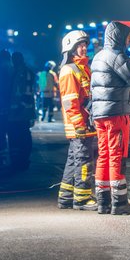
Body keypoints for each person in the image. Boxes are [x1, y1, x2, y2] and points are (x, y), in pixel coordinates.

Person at [91, 21, 130, 215]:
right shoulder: (118, 56)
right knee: (117, 156)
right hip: (116, 113)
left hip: (100, 114)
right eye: (128, 37)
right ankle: (119, 203)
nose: (129, 40)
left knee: (103, 156)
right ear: (121, 37)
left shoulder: (97, 57)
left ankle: (103, 202)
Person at [57, 30, 98, 210]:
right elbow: (70, 101)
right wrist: (79, 124)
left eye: (84, 45)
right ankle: (81, 198)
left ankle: (65, 197)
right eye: (80, 45)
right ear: (71, 48)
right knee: (84, 161)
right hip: (79, 125)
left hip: (84, 123)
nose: (83, 48)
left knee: (74, 160)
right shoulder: (69, 70)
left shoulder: (83, 68)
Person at [9, 51, 37, 171]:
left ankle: (22, 160)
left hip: (22, 111)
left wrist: (20, 106)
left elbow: (27, 92)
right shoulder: (17, 71)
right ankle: (20, 160)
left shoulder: (23, 72)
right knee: (20, 136)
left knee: (22, 135)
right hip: (19, 111)